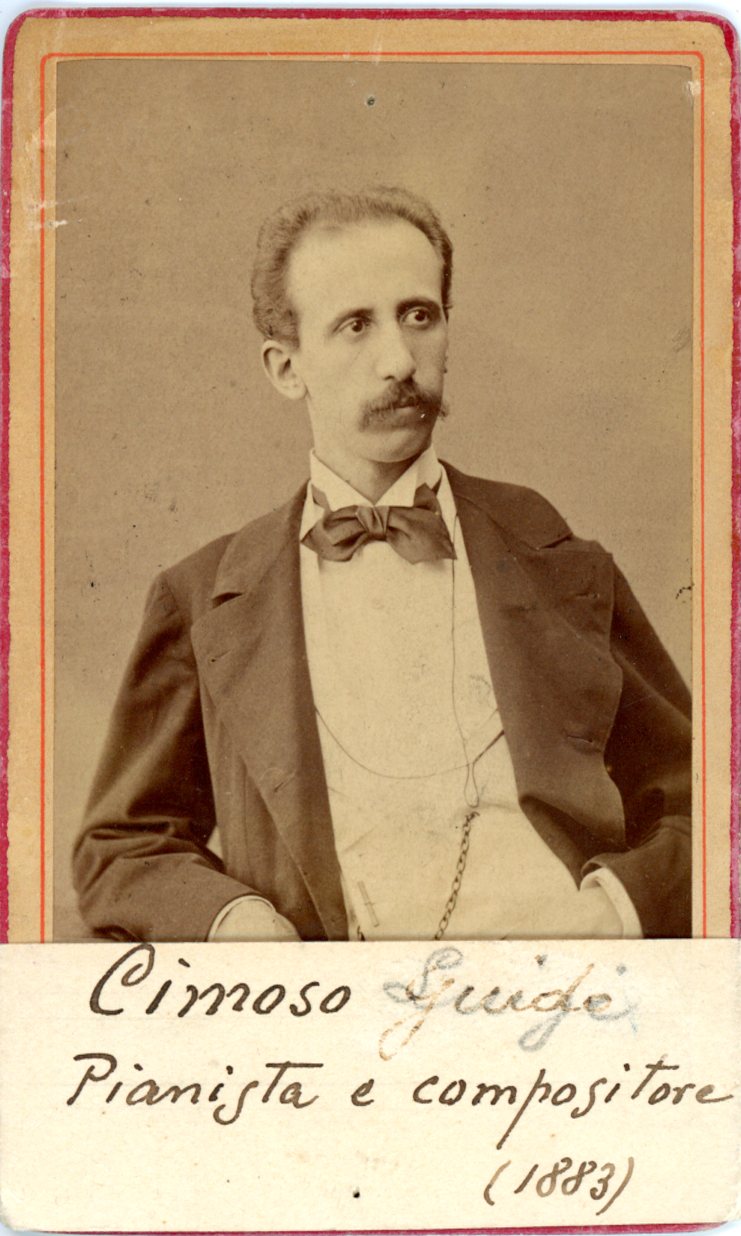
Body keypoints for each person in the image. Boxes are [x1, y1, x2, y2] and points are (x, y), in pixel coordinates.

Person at [73, 186, 691, 943]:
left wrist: (612, 912)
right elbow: (123, 847)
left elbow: (700, 799)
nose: (399, 360)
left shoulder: (557, 562)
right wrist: (235, 922)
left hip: (558, 999)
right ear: (286, 367)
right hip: (333, 1006)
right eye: (355, 325)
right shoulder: (205, 597)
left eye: (419, 316)